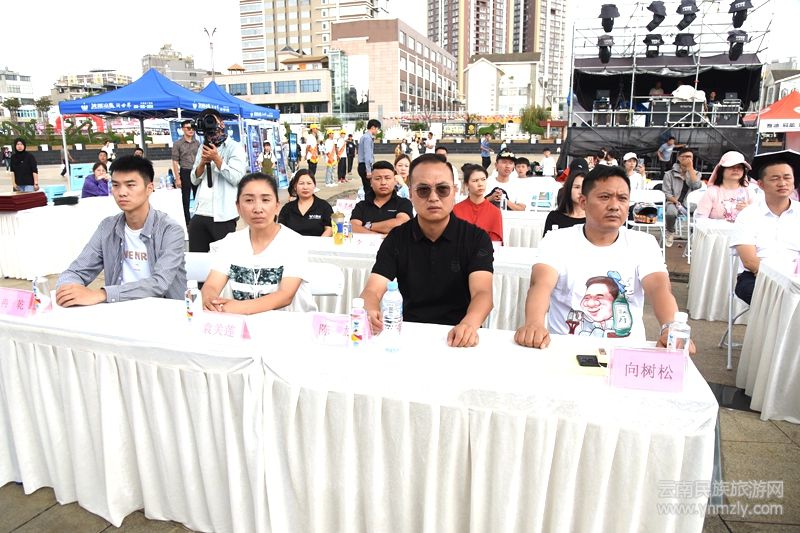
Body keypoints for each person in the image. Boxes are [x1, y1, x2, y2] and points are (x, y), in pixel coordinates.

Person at [514, 164, 693, 351]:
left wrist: (670, 328)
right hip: (565, 349)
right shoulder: (557, 240)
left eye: (622, 198)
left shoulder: (644, 243)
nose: (614, 206)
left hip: (626, 352)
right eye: (604, 197)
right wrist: (534, 324)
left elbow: (659, 289)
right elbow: (540, 284)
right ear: (583, 202)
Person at [359, 153, 494, 347]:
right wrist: (370, 310)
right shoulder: (397, 238)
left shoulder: (475, 238)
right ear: (410, 193)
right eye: (423, 190)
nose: (433, 197)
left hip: (459, 335)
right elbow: (372, 290)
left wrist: (469, 324)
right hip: (409, 334)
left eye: (442, 189)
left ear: (455, 191)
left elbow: (482, 293)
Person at [55, 155, 186, 307]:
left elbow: (159, 283)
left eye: (130, 185)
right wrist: (67, 290)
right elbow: (76, 271)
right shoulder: (107, 227)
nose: (122, 192)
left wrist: (102, 294)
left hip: (164, 312)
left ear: (149, 188)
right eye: (116, 185)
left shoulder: (170, 230)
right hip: (117, 310)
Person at [201, 173, 315, 314]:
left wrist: (237, 308)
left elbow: (285, 295)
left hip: (288, 324)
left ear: (277, 206)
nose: (257, 209)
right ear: (238, 207)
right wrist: (210, 300)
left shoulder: (294, 243)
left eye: (265, 200)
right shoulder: (230, 243)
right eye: (249, 200)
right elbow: (211, 285)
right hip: (240, 324)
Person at [730, 150, 800, 304]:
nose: (782, 183)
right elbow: (749, 261)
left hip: (796, 275)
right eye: (775, 178)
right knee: (777, 298)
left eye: (787, 177)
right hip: (757, 275)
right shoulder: (748, 215)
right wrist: (782, 282)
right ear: (761, 184)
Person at [189, 109, 247, 252]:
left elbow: (236, 178)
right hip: (199, 212)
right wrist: (202, 163)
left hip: (224, 215)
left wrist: (217, 159)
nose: (209, 125)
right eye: (206, 121)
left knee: (224, 260)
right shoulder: (202, 147)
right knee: (198, 259)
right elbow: (194, 180)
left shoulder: (235, 148)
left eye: (211, 120)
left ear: (222, 123)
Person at [350, 160, 413, 235]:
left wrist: (369, 226)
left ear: (394, 181)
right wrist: (379, 237)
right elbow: (353, 227)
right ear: (371, 182)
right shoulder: (361, 206)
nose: (383, 182)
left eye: (387, 178)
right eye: (378, 178)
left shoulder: (403, 203)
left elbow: (402, 224)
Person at [695, 151, 754, 221]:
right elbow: (700, 220)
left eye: (739, 167)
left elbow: (757, 219)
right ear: (721, 170)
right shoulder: (711, 192)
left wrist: (748, 209)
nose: (736, 169)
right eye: (731, 166)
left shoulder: (749, 191)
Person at [453, 164, 503, 243]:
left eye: (483, 179)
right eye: (475, 181)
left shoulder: (495, 212)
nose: (480, 184)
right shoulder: (456, 210)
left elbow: (495, 242)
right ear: (466, 184)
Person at [662, 147, 702, 246]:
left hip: (690, 204)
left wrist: (690, 169)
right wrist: (676, 202)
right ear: (679, 158)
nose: (688, 159)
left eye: (690, 157)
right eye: (685, 156)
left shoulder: (696, 174)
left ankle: (695, 237)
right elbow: (666, 193)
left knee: (701, 214)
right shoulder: (669, 174)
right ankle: (670, 230)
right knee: (671, 212)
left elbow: (696, 186)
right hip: (673, 202)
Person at [278, 170, 333, 237]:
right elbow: (280, 230)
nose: (305, 187)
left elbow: (329, 229)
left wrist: (318, 242)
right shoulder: (287, 208)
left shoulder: (324, 206)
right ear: (295, 186)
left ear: (314, 186)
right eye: (301, 183)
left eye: (309, 183)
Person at [172, 119, 201, 226]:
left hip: (197, 171)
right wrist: (177, 178)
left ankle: (198, 219)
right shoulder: (177, 144)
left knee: (198, 196)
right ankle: (187, 221)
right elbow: (175, 161)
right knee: (186, 198)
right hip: (185, 171)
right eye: (188, 128)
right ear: (183, 129)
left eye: (193, 128)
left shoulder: (197, 143)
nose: (191, 130)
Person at [543, 167, 586, 236]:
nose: (580, 192)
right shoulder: (554, 217)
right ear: (569, 189)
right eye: (577, 187)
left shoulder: (595, 219)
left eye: (584, 187)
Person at [358, 119, 380, 199]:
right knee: (369, 190)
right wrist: (369, 171)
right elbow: (367, 155)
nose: (378, 131)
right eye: (377, 129)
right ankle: (369, 205)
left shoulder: (364, 137)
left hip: (362, 165)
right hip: (365, 166)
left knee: (367, 189)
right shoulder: (367, 138)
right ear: (373, 127)